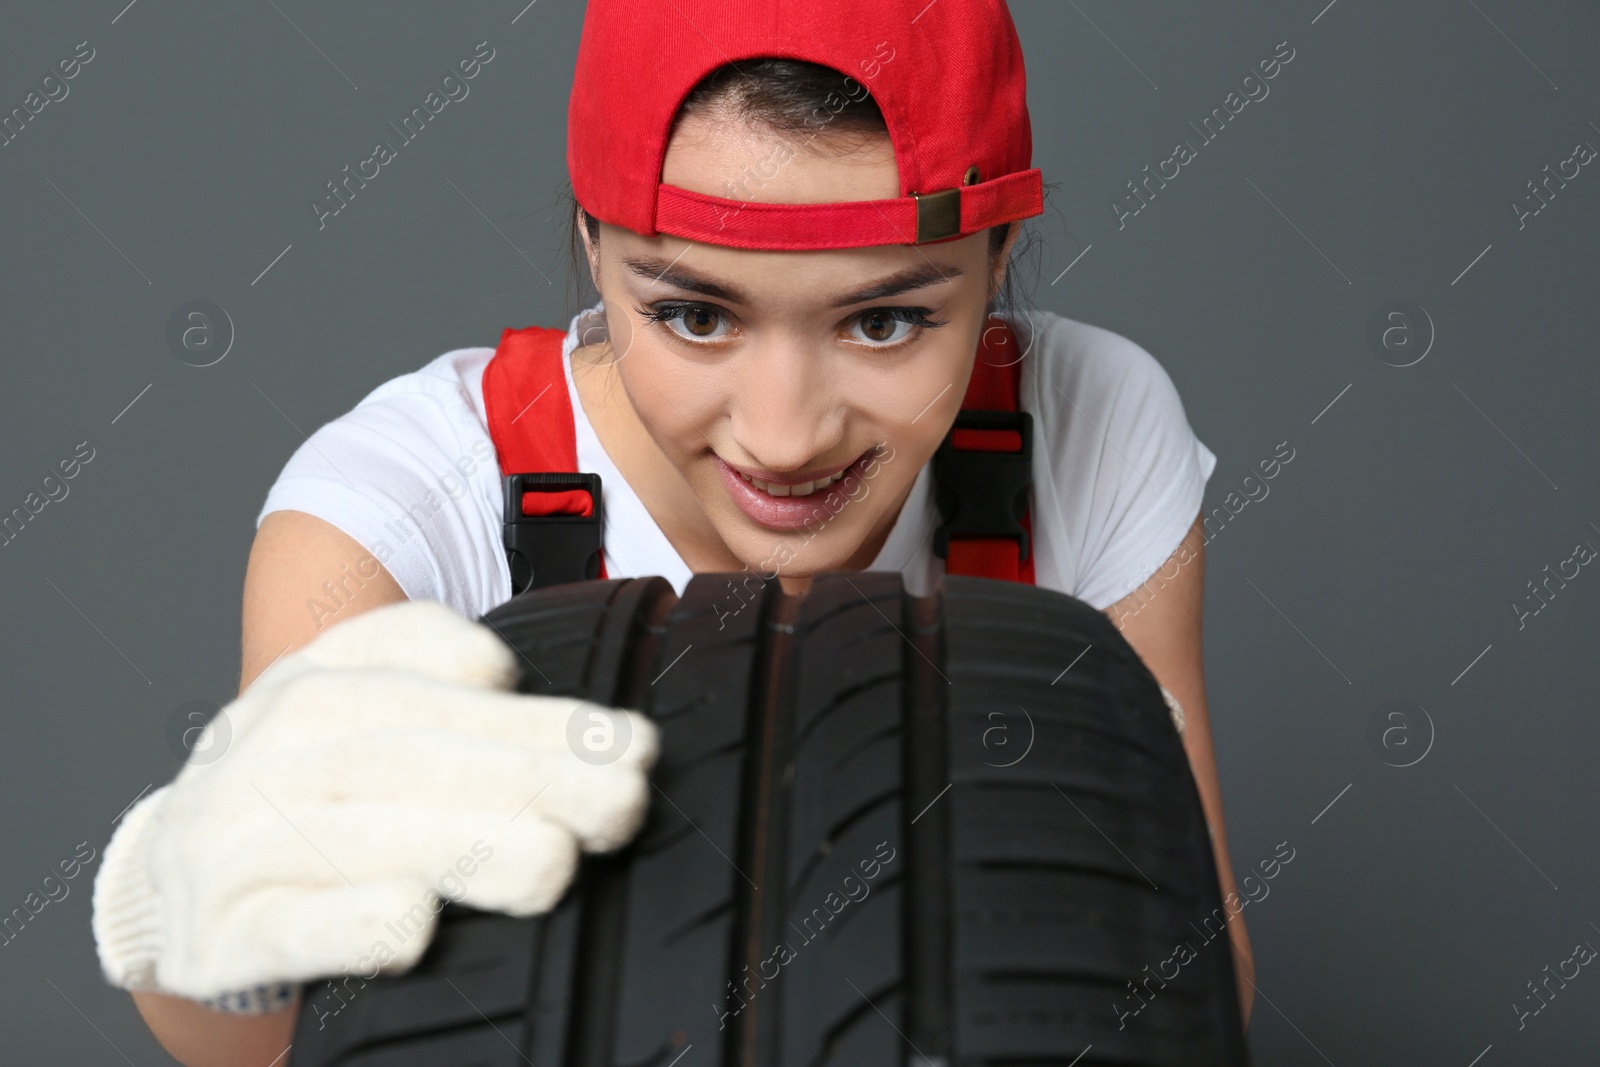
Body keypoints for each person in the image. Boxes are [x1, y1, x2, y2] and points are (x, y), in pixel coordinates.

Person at [92, 1, 1253, 1062]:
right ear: (593, 246)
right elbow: (272, 1048)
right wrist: (200, 905)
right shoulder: (394, 510)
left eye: (887, 319)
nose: (786, 434)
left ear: (997, 258)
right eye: (695, 314)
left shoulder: (1089, 423)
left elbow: (1194, 979)